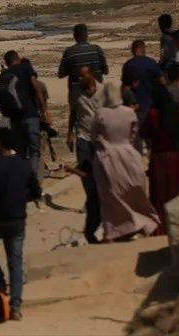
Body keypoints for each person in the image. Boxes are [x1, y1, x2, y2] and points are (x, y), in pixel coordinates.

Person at [0, 127, 40, 322]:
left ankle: (0, 283)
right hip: (18, 219)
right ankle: (15, 307)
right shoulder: (24, 164)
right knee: (15, 261)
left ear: (1, 143)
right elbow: (36, 192)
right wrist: (20, 199)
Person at [91, 79, 161, 241]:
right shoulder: (129, 112)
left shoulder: (100, 114)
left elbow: (93, 135)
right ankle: (139, 224)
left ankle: (114, 231)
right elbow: (133, 133)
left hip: (108, 157)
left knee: (109, 196)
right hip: (129, 154)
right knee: (133, 192)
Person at [141, 84, 179, 228]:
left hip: (159, 158)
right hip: (176, 157)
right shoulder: (176, 112)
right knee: (177, 190)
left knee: (160, 193)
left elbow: (143, 132)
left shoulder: (153, 114)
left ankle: (162, 226)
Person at [65, 65, 103, 244]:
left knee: (100, 173)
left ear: (92, 75)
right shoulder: (76, 92)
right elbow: (73, 112)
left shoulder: (103, 91)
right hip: (83, 136)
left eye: (83, 76)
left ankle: (99, 202)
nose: (80, 80)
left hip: (100, 138)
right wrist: (70, 134)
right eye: (79, 77)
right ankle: (91, 200)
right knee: (84, 171)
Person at [0, 51, 48, 178]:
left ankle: (21, 181)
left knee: (20, 152)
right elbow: (36, 87)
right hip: (30, 115)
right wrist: (45, 111)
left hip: (14, 119)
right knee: (34, 151)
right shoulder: (25, 68)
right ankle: (32, 181)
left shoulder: (4, 74)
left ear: (6, 63)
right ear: (18, 59)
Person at [121, 39, 163, 142]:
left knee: (136, 139)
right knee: (151, 140)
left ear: (133, 50)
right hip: (151, 106)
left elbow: (124, 87)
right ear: (143, 49)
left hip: (134, 107)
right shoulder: (152, 63)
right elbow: (162, 82)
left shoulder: (128, 65)